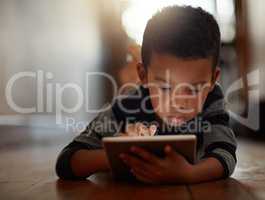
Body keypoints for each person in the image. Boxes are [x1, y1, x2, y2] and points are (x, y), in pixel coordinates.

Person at [56, 5, 237, 184]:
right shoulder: (128, 105)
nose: (180, 102)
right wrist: (117, 154)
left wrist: (189, 174)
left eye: (195, 89)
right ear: (143, 75)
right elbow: (67, 160)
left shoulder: (212, 100)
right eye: (165, 88)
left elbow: (224, 154)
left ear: (213, 80)